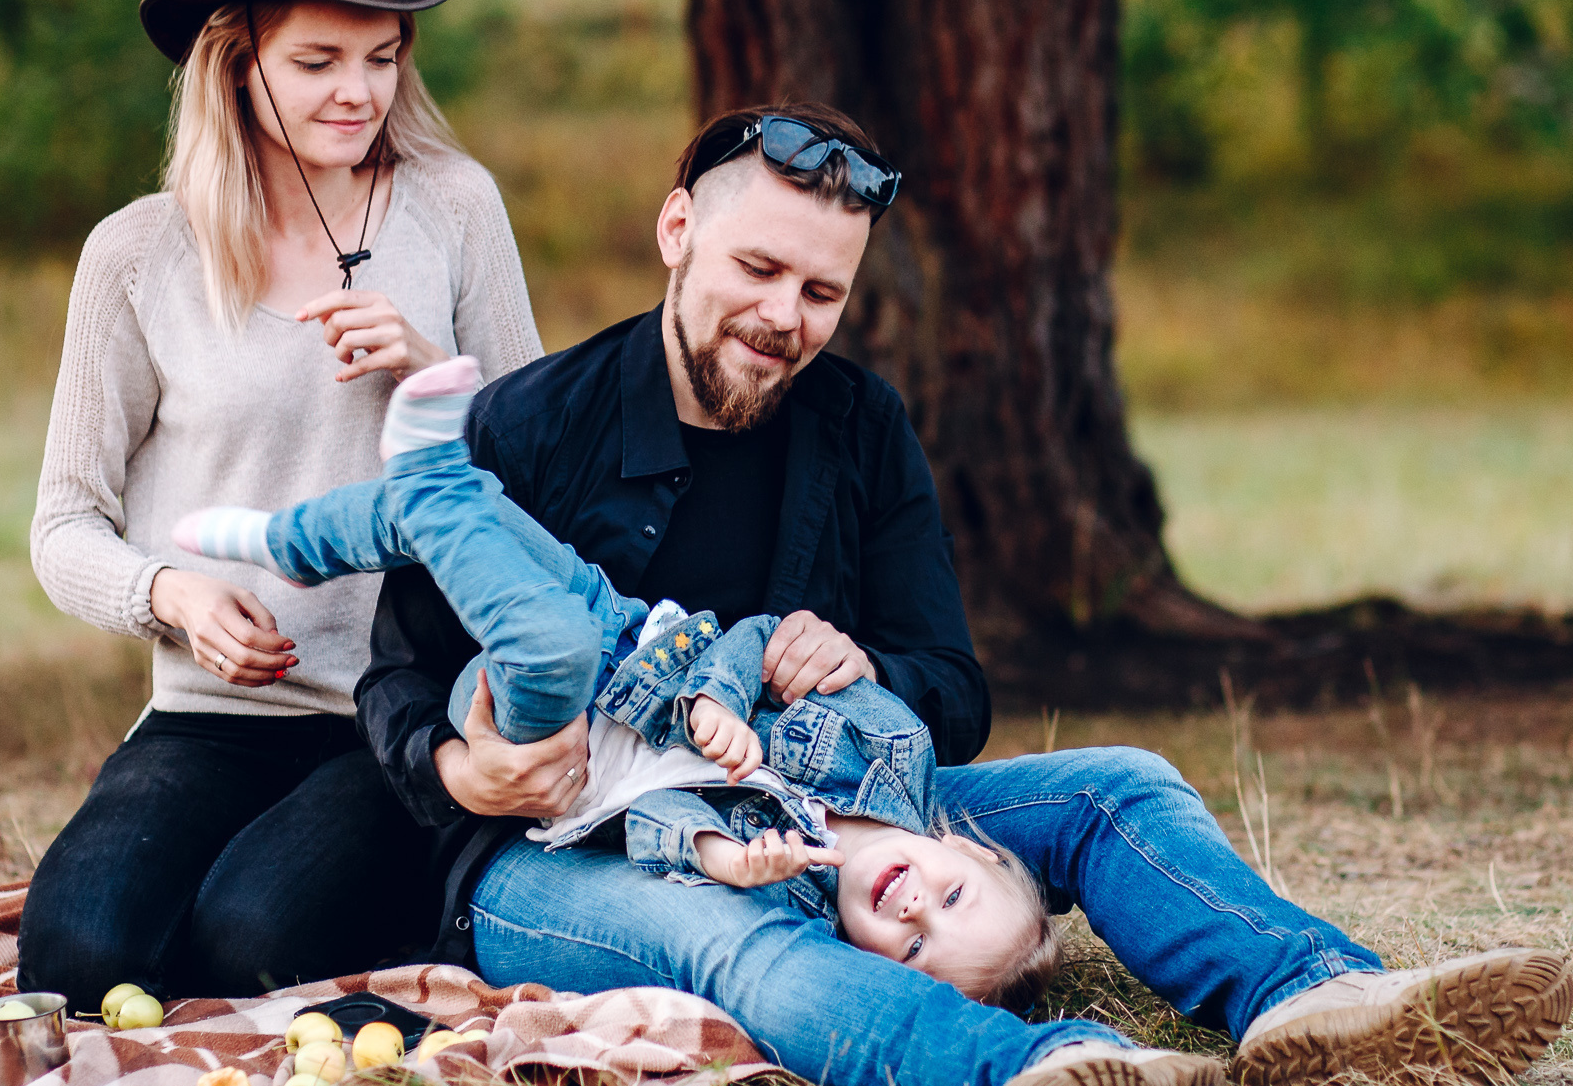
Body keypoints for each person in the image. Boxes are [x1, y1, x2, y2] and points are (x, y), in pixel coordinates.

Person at [353, 102, 1573, 1086]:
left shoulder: (861, 425)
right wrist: (465, 769)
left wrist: (870, 668)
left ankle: (1317, 997)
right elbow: (396, 674)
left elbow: (953, 688)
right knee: (739, 933)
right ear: (677, 231)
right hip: (576, 858)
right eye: (759, 267)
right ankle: (1039, 1077)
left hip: (836, 794)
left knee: (1116, 784)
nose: (785, 317)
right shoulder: (530, 424)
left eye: (822, 292)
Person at [18, 0, 543, 1008]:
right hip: (212, 715)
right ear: (238, 62)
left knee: (247, 941)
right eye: (317, 61)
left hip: (401, 714)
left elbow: (542, 470)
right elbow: (63, 524)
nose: (358, 92)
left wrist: (429, 367)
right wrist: (173, 594)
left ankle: (453, 876)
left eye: (382, 56)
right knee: (74, 960)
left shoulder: (452, 206)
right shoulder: (137, 255)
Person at [173, 353, 1057, 1008]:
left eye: (911, 948)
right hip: (632, 638)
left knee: (542, 640)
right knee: (485, 519)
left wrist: (727, 858)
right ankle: (300, 542)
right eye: (950, 897)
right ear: (972, 849)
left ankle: (421, 487)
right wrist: (716, 694)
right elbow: (755, 636)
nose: (912, 909)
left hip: (553, 734)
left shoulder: (788, 893)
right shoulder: (892, 746)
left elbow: (650, 823)